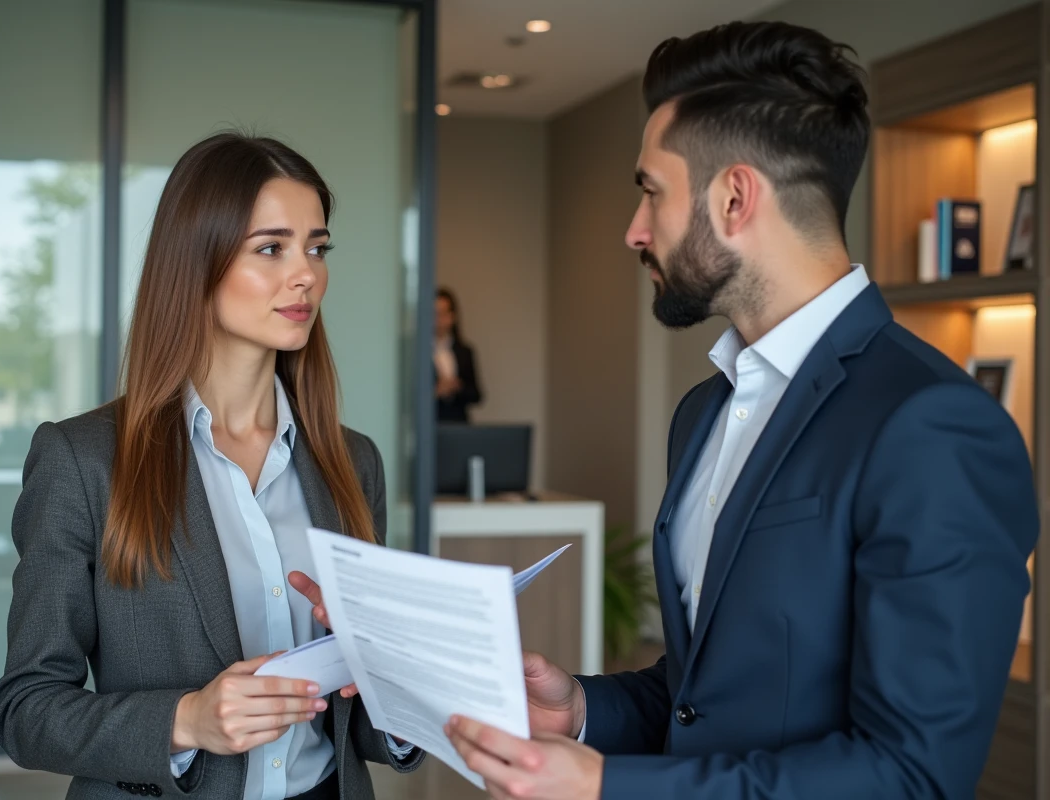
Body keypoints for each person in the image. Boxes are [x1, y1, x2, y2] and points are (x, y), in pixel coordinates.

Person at [444, 20, 1039, 800]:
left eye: (650, 192)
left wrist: (608, 788)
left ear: (734, 197)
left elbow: (912, 776)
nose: (633, 231)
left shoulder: (933, 426)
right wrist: (587, 711)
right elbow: (706, 694)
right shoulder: (703, 413)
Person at [0, 133, 423, 799]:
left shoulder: (351, 461)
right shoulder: (83, 461)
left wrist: (402, 699)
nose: (306, 272)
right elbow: (27, 710)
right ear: (198, 262)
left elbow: (358, 716)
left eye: (317, 246)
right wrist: (186, 721)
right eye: (272, 247)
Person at [433, 287, 482, 422]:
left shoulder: (465, 351)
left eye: (442, 313)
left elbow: (477, 395)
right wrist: (435, 391)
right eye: (434, 314)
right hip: (429, 423)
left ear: (452, 316)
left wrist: (457, 386)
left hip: (458, 422)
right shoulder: (416, 353)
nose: (438, 319)